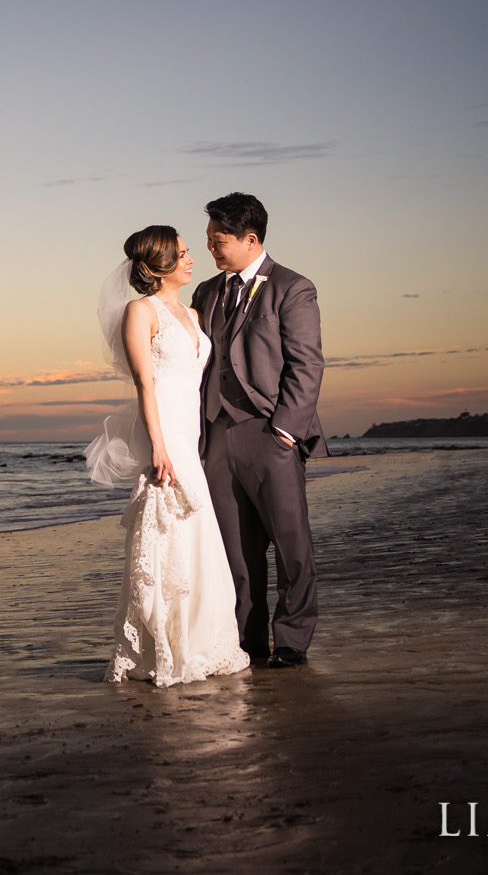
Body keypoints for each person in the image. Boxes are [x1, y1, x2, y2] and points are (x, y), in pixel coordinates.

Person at [86, 225, 252, 687]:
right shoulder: (142, 311)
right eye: (180, 254)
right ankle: (167, 648)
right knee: (170, 535)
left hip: (191, 436)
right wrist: (159, 445)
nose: (190, 259)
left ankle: (203, 640)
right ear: (158, 265)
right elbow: (146, 384)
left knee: (198, 537)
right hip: (167, 437)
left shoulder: (194, 314)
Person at [193, 192, 325, 669]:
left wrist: (286, 432)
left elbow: (307, 364)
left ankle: (291, 640)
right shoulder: (207, 292)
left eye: (218, 239)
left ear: (251, 239)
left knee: (292, 545)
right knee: (236, 552)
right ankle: (247, 642)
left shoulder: (293, 287)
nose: (210, 247)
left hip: (270, 433)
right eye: (208, 239)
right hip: (217, 436)